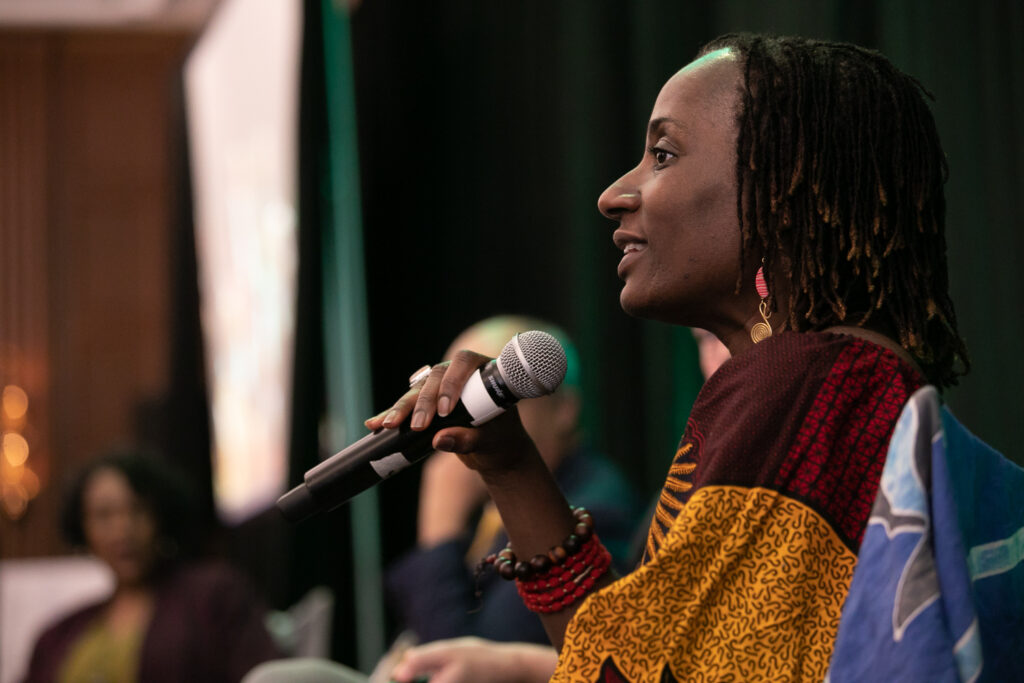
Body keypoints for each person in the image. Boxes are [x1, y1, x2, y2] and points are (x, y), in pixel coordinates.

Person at [371, 33, 970, 682]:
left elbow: (624, 675)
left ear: (778, 190)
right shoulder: (832, 382)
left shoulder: (803, 385)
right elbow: (623, 656)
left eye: (663, 154)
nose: (613, 194)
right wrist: (510, 462)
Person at [385, 315, 642, 645]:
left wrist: (440, 532)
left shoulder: (593, 513)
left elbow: (470, 665)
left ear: (564, 408)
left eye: (483, 396)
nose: (468, 419)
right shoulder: (482, 496)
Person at [24, 447, 282, 683]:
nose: (122, 530)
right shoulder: (59, 634)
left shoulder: (213, 597)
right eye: (104, 515)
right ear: (83, 531)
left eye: (137, 510)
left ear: (161, 517)